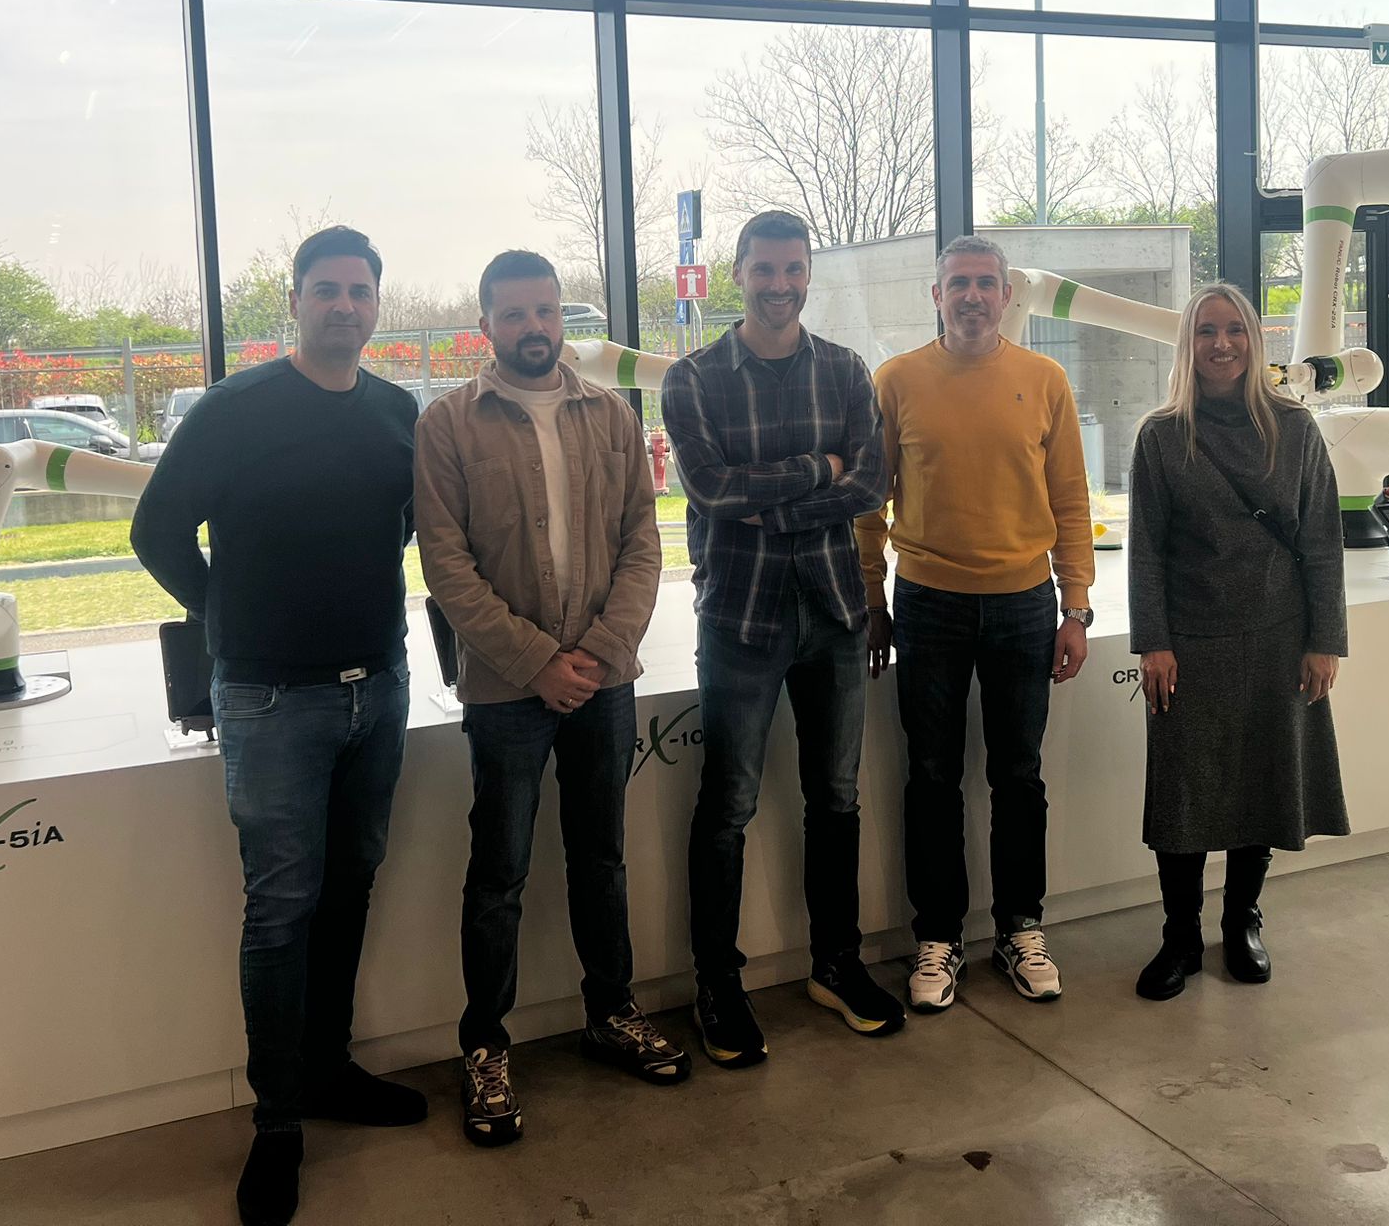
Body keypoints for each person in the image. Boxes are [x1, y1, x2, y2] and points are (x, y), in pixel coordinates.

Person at [132, 226, 424, 1226]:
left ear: (376, 304)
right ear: (294, 302)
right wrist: (226, 617)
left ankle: (330, 1069)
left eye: (359, 291)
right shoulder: (235, 409)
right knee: (281, 910)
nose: (344, 305)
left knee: (349, 888)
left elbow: (401, 528)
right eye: (325, 290)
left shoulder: (395, 412)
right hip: (268, 701)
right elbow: (155, 530)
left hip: (379, 688)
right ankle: (278, 1121)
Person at [415, 249, 687, 1150]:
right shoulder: (448, 425)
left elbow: (643, 544)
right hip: (505, 691)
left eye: (546, 311)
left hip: (604, 682)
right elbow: (447, 566)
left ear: (560, 318)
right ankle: (485, 1047)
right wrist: (537, 662)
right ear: (485, 325)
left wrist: (600, 652)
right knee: (498, 874)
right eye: (514, 313)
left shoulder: (611, 416)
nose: (533, 327)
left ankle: (611, 1013)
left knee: (601, 858)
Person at [661, 209, 899, 1068]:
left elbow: (871, 482)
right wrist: (816, 468)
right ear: (739, 273)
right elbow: (713, 492)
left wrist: (780, 504)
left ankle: (836, 964)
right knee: (728, 807)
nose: (779, 284)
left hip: (834, 613)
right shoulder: (691, 380)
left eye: (793, 269)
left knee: (836, 799)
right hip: (741, 619)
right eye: (764, 269)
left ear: (807, 275)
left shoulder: (844, 370)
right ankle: (716, 985)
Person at [857, 235, 1095, 1015]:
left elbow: (1071, 502)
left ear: (1005, 296)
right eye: (958, 283)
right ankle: (938, 936)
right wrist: (873, 601)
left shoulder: (1044, 380)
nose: (972, 296)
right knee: (931, 776)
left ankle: (1021, 927)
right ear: (936, 296)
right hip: (928, 603)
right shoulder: (897, 381)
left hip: (1025, 605)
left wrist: (1076, 605)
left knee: (1018, 775)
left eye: (986, 283)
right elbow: (869, 506)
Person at [1126, 283, 1350, 1002]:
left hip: (1279, 638)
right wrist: (1153, 642)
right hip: (1189, 644)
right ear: (1187, 344)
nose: (1220, 344)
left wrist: (1325, 640)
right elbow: (1145, 551)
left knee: (1264, 781)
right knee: (1184, 795)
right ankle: (1180, 935)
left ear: (1255, 340)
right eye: (1205, 331)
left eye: (1234, 330)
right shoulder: (1162, 436)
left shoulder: (1295, 429)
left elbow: (1322, 543)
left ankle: (1242, 919)